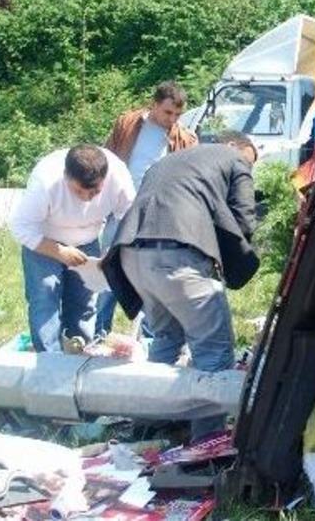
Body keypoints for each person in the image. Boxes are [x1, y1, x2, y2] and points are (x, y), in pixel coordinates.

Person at [102, 131, 260, 439]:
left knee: (165, 339)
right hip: (178, 256)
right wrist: (238, 259)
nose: (248, 169)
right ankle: (207, 443)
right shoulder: (233, 159)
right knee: (213, 353)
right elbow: (244, 219)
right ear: (234, 147)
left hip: (131, 255)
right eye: (250, 162)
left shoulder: (172, 159)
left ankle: (147, 427)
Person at [9, 144, 135, 353]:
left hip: (89, 241)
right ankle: (49, 359)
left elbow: (130, 218)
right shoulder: (46, 181)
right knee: (45, 298)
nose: (86, 198)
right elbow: (20, 227)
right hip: (44, 242)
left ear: (105, 178)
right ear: (66, 176)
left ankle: (79, 356)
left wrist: (113, 252)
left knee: (84, 301)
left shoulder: (119, 175)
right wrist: (59, 251)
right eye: (79, 191)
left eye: (95, 192)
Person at [97, 80, 198, 336]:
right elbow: (107, 158)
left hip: (155, 216)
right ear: (153, 105)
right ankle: (99, 331)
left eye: (177, 114)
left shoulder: (183, 139)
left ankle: (150, 336)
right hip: (120, 210)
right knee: (108, 268)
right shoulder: (128, 125)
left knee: (150, 276)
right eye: (167, 112)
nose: (172, 118)